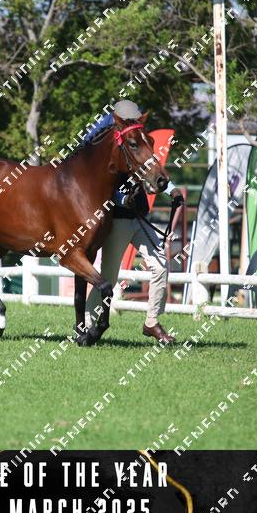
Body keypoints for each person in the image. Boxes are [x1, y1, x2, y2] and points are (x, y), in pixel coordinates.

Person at [83, 100, 184, 344]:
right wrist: (121, 198)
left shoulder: (137, 144)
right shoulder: (110, 152)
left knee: (160, 266)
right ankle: (86, 323)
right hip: (118, 221)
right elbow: (103, 188)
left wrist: (171, 189)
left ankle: (152, 322)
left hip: (140, 218)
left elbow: (152, 168)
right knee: (108, 277)